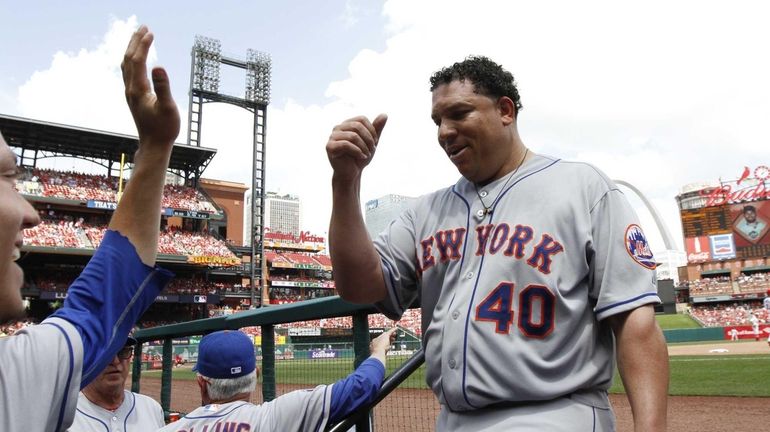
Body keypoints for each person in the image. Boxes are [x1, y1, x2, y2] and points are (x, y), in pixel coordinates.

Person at [325, 56, 668, 431]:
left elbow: (635, 322)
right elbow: (358, 287)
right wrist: (346, 181)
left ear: (505, 110)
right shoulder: (424, 212)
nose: (444, 131)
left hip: (555, 414)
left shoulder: (582, 187)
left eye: (458, 113)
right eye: (438, 121)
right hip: (453, 418)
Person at [0, 25, 179, 431]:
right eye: (8, 179)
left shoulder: (15, 376)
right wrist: (153, 146)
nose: (31, 213)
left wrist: (154, 147)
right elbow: (105, 296)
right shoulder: (14, 382)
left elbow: (106, 293)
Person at [158, 328, 397, 431]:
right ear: (256, 376)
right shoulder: (276, 416)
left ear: (202, 383)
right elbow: (362, 386)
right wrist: (379, 349)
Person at [68, 336, 165, 431]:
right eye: (105, 353)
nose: (115, 361)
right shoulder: (63, 417)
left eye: (122, 351)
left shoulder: (151, 408)